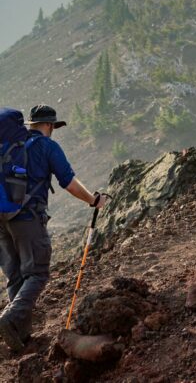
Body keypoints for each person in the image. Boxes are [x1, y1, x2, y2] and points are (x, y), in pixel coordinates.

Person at [0, 105, 107, 351]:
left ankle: (20, 338)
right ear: (49, 126)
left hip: (0, 218)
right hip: (27, 218)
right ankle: (9, 319)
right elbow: (68, 183)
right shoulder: (46, 146)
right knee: (37, 273)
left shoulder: (8, 146)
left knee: (15, 275)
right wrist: (94, 200)